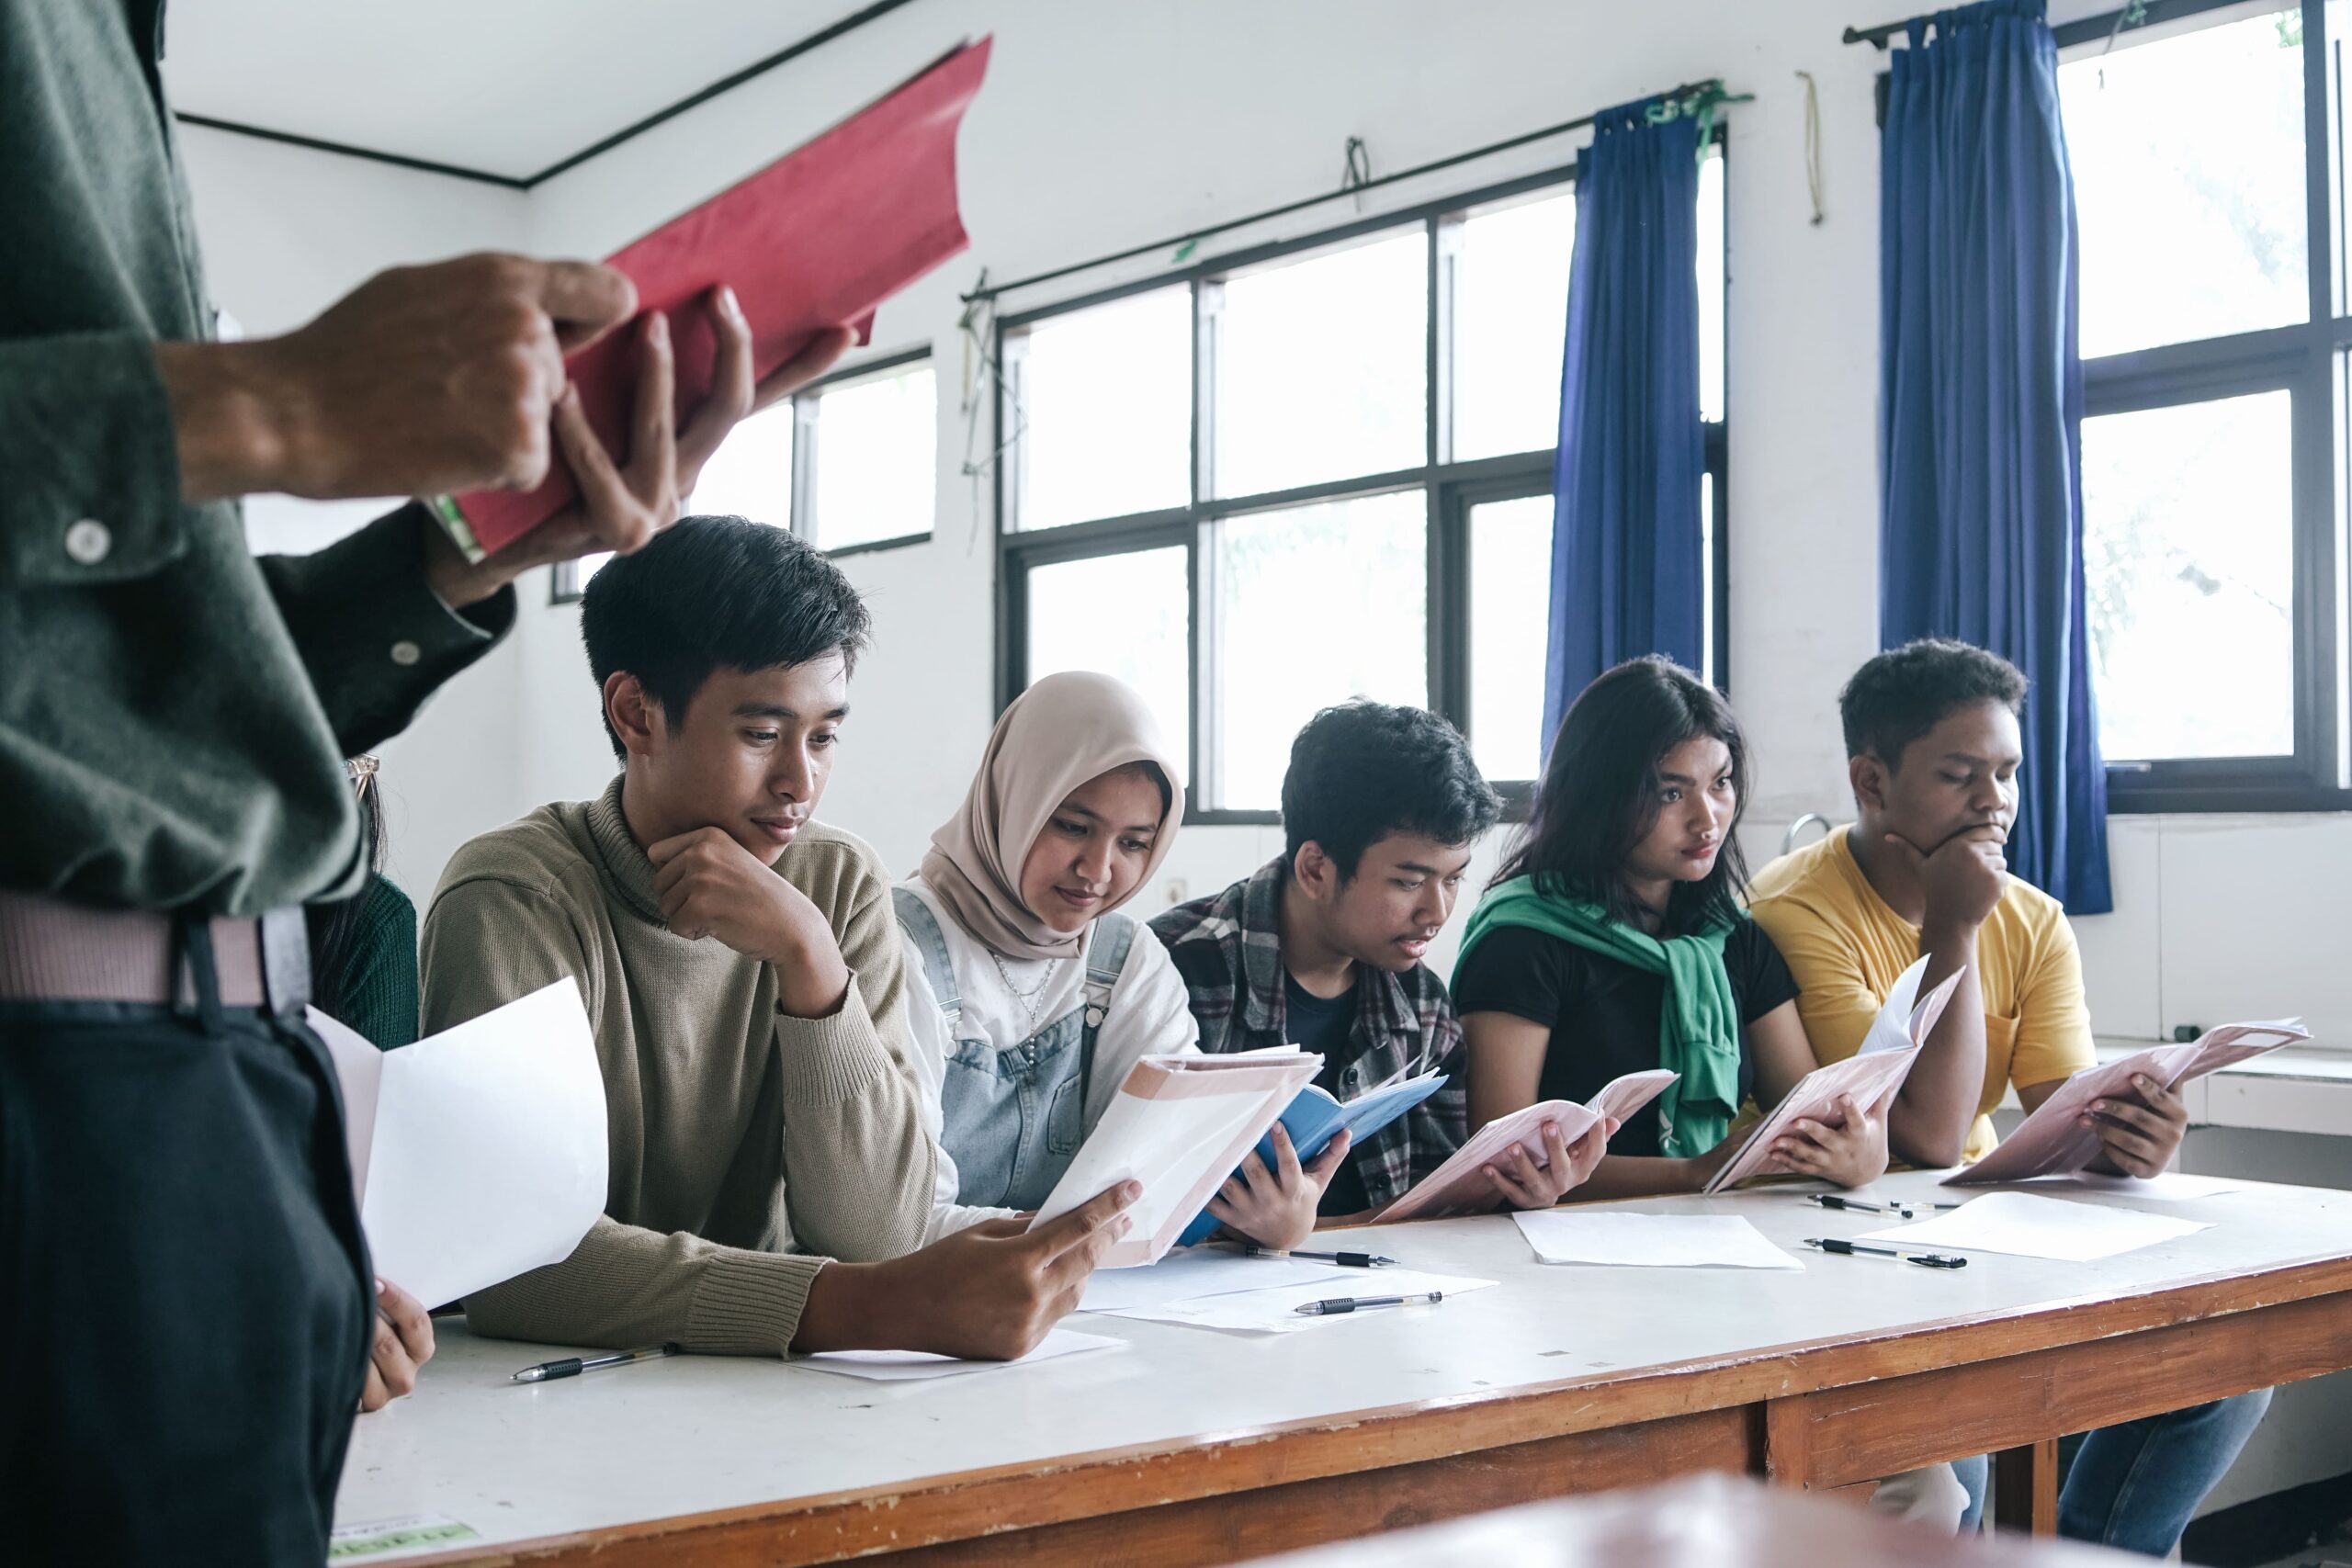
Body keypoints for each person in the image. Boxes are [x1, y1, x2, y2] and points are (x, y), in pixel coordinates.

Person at [0, 8, 854, 1562]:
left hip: (211, 1110)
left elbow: (110, 690)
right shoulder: (518, 885)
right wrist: (260, 406)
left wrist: (454, 561)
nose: (799, 775)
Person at [419, 519, 1135, 1369]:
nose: (800, 782)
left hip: (782, 1391)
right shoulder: (516, 897)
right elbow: (518, 1263)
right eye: (762, 734)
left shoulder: (833, 884)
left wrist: (812, 963)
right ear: (635, 711)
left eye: (825, 735)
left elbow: (877, 1230)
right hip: (538, 1402)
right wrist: (868, 1306)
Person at [1747, 637, 2269, 1553]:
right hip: (1840, 1235)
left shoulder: (2031, 917)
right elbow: (1926, 1138)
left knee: (2230, 1364)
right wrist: (1951, 926)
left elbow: (2067, 1111)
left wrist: (2137, 1137)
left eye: (2008, 772)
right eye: (1959, 776)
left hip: (1982, 1231)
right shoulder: (1790, 912)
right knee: (1963, 1448)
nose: (1994, 802)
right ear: (1871, 782)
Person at [897, 672, 1328, 1247]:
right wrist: (1083, 1238)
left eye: (1133, 843)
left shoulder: (1125, 959)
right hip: (917, 1309)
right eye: (1074, 826)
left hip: (1089, 1304)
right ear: (1012, 799)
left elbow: (1168, 1169)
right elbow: (900, 1219)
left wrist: (1267, 1219)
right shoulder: (899, 945)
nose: (1098, 871)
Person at [1453, 658, 1889, 1201]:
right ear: (1600, 796)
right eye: (1670, 793)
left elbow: (1806, 1116)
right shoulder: (1523, 941)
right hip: (1554, 1253)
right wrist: (1693, 1174)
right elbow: (1500, 1161)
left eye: (1721, 783)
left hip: (1711, 1242)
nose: (1707, 819)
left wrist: (1862, 1152)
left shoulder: (1731, 940)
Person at [1154, 701, 1555, 1218]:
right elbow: (1128, 1206)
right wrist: (1253, 1238)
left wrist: (1514, 1193)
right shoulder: (1179, 972)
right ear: (1317, 869)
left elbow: (1436, 1202)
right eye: (1409, 882)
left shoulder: (1423, 1005)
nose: (1436, 912)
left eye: (1453, 879)